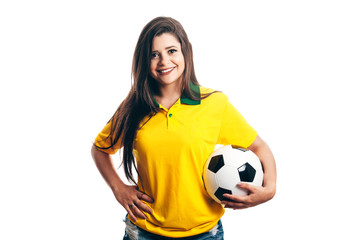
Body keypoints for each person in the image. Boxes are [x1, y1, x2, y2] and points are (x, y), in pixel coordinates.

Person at [91, 16, 276, 240]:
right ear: (143, 60)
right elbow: (100, 148)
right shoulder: (134, 106)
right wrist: (118, 188)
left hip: (204, 233)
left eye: (171, 51)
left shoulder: (214, 104)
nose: (163, 61)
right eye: (154, 54)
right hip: (144, 231)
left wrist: (270, 189)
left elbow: (258, 146)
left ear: (185, 52)